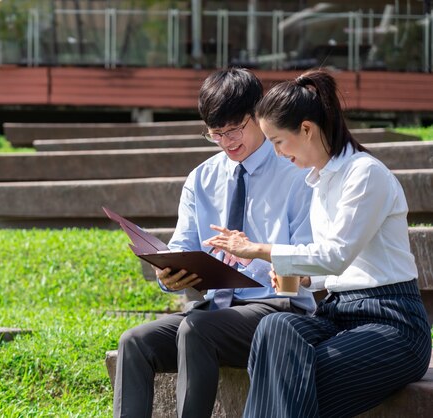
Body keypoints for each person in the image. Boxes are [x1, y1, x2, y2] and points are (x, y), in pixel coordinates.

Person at [204, 69, 431, 418]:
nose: (277, 153)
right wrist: (303, 279)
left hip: (392, 322)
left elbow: (335, 256)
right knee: (275, 327)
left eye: (278, 141)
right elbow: (332, 271)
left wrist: (259, 249)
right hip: (339, 313)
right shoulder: (319, 182)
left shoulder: (365, 175)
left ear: (306, 129)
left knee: (292, 380)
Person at [113, 68, 316, 418]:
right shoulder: (202, 178)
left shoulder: (295, 173)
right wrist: (168, 274)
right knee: (134, 342)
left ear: (259, 114)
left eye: (235, 129)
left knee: (197, 329)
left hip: (278, 310)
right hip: (214, 312)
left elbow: (308, 259)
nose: (227, 141)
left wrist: (253, 253)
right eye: (216, 133)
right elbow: (181, 246)